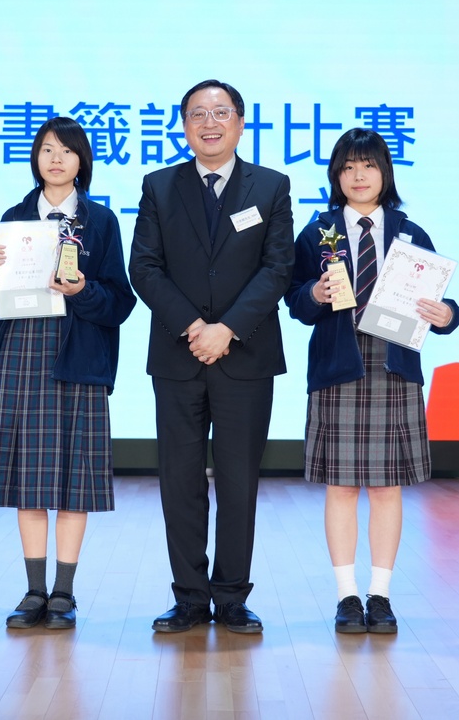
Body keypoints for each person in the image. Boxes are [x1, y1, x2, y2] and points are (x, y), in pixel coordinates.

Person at [129, 79, 294, 634]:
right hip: (178, 355)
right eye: (197, 113)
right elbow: (144, 267)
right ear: (184, 126)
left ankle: (232, 598)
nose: (209, 122)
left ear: (240, 124)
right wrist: (195, 327)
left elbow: (278, 268)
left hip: (245, 355)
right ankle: (189, 599)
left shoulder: (271, 186)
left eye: (221, 112)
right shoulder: (159, 186)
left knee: (239, 480)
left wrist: (227, 329)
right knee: (179, 480)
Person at [284, 127, 459, 634]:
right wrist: (314, 294)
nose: (358, 176)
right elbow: (294, 301)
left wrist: (448, 314)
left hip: (393, 365)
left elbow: (440, 305)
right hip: (338, 365)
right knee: (340, 486)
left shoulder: (410, 234)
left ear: (385, 173)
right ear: (335, 176)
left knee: (387, 488)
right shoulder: (317, 232)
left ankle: (379, 595)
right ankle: (346, 596)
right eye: (348, 167)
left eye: (368, 166)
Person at [0, 116, 136, 630]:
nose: (56, 158)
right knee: (28, 481)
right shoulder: (14, 218)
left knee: (74, 482)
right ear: (35, 159)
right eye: (46, 149)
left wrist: (82, 290)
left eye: (66, 150)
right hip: (19, 356)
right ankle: (33, 591)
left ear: (82, 160)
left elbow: (120, 302)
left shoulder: (100, 221)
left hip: (77, 357)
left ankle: (64, 592)